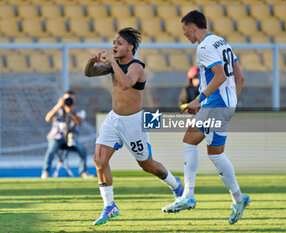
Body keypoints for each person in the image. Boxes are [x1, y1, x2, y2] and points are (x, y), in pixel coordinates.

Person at [84, 27, 183, 226]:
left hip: (133, 123)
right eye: (113, 43)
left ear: (130, 47)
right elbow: (89, 73)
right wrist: (91, 61)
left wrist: (112, 61)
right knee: (99, 160)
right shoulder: (116, 65)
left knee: (147, 166)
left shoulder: (136, 67)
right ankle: (110, 205)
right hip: (114, 120)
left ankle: (176, 185)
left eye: (119, 43)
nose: (114, 46)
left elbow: (126, 84)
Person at [162, 10, 249, 225]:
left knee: (192, 143)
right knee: (213, 152)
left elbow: (219, 75)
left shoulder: (204, 47)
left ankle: (188, 195)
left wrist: (199, 99)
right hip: (226, 105)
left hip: (215, 105)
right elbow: (240, 77)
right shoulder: (222, 42)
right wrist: (230, 102)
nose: (184, 35)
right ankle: (238, 198)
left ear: (193, 27)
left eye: (184, 30)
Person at [42, 90, 92, 179]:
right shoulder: (57, 109)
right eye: (66, 99)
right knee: (51, 149)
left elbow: (79, 122)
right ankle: (45, 172)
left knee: (82, 149)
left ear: (74, 100)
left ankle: (83, 172)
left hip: (71, 139)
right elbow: (48, 118)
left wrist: (71, 112)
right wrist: (58, 106)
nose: (68, 101)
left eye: (70, 99)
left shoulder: (78, 111)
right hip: (57, 138)